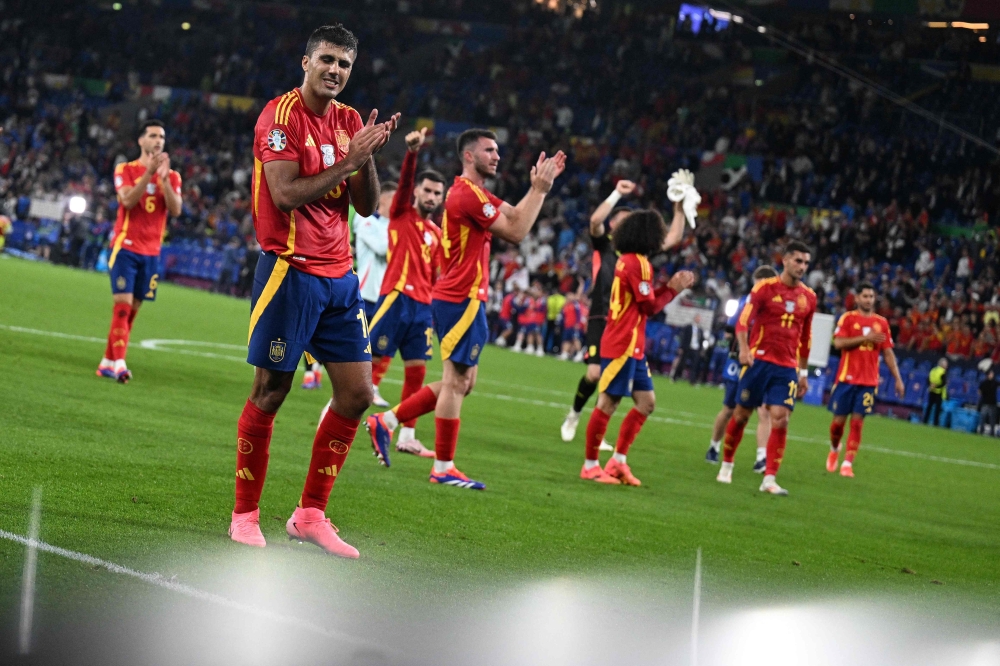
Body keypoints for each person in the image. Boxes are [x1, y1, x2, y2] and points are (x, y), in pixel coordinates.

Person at [228, 24, 400, 557]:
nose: (335, 71)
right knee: (271, 392)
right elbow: (282, 195)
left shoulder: (349, 120)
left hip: (340, 278)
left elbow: (367, 206)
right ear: (305, 62)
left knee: (357, 395)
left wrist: (365, 155)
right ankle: (245, 513)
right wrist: (348, 160)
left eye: (345, 65)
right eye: (327, 59)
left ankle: (309, 514)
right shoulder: (279, 119)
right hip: (289, 272)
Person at [365, 128, 566, 488]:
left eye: (497, 150)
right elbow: (517, 231)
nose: (497, 156)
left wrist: (536, 190)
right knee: (456, 382)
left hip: (462, 297)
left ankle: (388, 422)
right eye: (490, 150)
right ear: (469, 156)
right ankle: (443, 468)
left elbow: (517, 215)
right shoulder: (466, 196)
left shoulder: (477, 194)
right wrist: (539, 190)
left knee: (463, 382)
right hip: (460, 298)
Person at [559, 179, 686, 443]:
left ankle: (599, 433)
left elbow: (673, 237)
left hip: (626, 323)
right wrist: (617, 192)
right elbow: (595, 221)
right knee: (594, 374)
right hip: (601, 314)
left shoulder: (639, 254)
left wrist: (680, 209)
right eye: (623, 220)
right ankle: (574, 413)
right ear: (615, 225)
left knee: (611, 379)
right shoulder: (605, 245)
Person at [580, 210, 695, 485]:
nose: (662, 236)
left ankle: (618, 461)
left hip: (632, 344)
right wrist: (673, 288)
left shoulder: (629, 260)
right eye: (659, 231)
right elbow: (650, 306)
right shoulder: (638, 264)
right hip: (623, 343)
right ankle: (590, 465)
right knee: (609, 402)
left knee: (647, 403)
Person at [365, 127, 444, 459]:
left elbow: (439, 276)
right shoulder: (400, 214)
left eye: (437, 194)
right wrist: (412, 153)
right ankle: (340, 413)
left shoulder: (437, 234)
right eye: (427, 191)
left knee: (418, 370)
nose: (432, 197)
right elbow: (406, 184)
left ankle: (407, 435)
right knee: (370, 362)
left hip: (422, 308)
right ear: (416, 193)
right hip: (396, 297)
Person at [715, 240, 817, 496]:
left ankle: (769, 478)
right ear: (784, 260)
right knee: (740, 415)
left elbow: (805, 338)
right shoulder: (764, 289)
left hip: (786, 368)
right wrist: (744, 350)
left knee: (780, 418)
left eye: (806, 262)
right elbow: (742, 322)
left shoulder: (809, 297)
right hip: (757, 363)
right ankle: (727, 463)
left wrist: (803, 373)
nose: (802, 266)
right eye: (798, 261)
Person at [96, 119, 183, 383]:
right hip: (125, 247)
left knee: (131, 311)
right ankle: (120, 364)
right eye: (153, 135)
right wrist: (148, 175)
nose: (158, 141)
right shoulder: (126, 169)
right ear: (141, 141)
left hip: (151, 252)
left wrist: (164, 180)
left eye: (162, 137)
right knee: (122, 307)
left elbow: (176, 210)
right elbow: (126, 200)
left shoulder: (173, 175)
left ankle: (107, 361)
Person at [826, 282, 904, 477]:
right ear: (858, 298)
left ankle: (847, 463)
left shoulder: (882, 323)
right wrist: (864, 339)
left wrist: (898, 378)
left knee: (858, 422)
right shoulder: (848, 319)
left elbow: (887, 353)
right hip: (846, 379)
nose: (869, 300)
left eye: (871, 296)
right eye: (865, 296)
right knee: (837, 424)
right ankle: (835, 449)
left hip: (869, 382)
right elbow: (838, 343)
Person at [705, 265, 778, 471]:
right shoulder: (746, 303)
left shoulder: (775, 307)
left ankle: (761, 457)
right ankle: (714, 446)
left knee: (763, 411)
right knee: (729, 408)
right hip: (740, 363)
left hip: (763, 365)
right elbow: (730, 330)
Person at [354, 180, 393, 405]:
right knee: (359, 345)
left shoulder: (391, 225)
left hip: (385, 295)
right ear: (385, 199)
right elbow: (383, 249)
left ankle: (372, 386)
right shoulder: (366, 220)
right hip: (366, 292)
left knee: (382, 344)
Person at [924, 358, 948, 426]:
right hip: (939, 392)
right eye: (946, 364)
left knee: (929, 407)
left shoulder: (933, 370)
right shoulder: (943, 372)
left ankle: (925, 421)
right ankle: (936, 423)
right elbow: (943, 383)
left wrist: (931, 385)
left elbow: (928, 379)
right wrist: (936, 386)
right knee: (937, 409)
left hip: (931, 391)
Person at [978, 369, 997, 436]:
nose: (992, 375)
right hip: (985, 403)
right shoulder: (984, 383)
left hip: (992, 403)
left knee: (992, 419)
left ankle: (992, 432)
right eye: (991, 374)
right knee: (983, 417)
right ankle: (981, 431)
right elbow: (979, 391)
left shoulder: (995, 382)